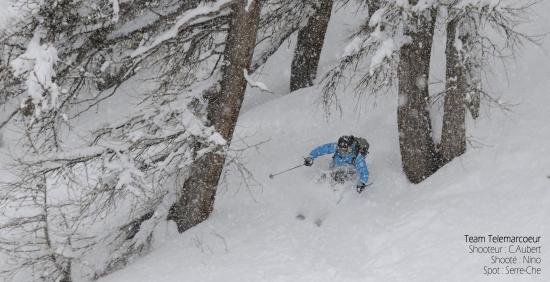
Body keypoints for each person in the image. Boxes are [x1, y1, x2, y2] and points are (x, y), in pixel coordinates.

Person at [304, 135, 370, 193]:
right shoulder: (336, 147)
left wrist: (362, 182)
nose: (341, 152)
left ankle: (335, 193)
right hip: (334, 168)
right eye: (340, 149)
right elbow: (322, 149)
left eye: (344, 150)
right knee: (325, 177)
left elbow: (364, 171)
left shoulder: (357, 157)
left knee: (338, 178)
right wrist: (311, 157)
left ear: (349, 148)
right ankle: (315, 189)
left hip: (349, 172)